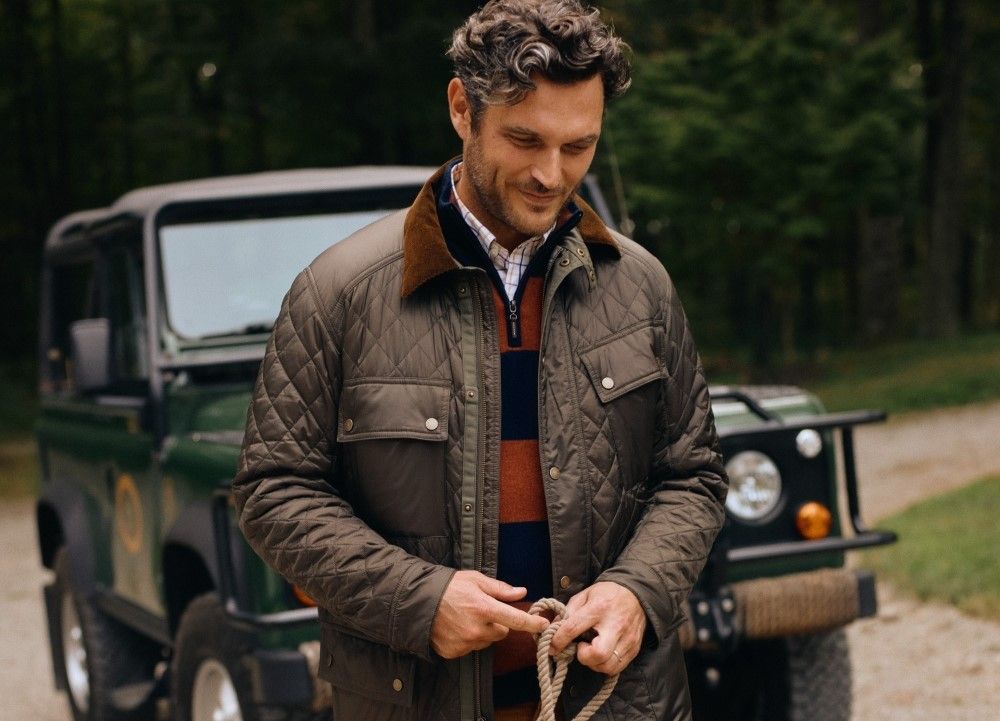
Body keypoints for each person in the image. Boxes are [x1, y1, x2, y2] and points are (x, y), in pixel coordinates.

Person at [233, 1, 727, 719]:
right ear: (463, 109)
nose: (551, 174)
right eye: (524, 139)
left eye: (578, 146)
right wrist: (417, 599)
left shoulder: (640, 283)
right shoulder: (338, 290)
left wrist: (639, 591)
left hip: (621, 704)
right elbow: (273, 491)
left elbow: (694, 475)